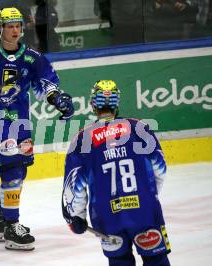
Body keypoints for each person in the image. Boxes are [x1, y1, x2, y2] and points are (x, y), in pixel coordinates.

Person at [0, 7, 75, 251]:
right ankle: (12, 227)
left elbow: (46, 83)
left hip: (19, 122)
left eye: (18, 26)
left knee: (20, 172)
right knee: (11, 172)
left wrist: (57, 98)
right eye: (9, 26)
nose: (15, 30)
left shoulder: (32, 56)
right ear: (0, 28)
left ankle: (3, 216)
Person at [62, 80, 171, 266]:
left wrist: (75, 217)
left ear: (92, 104)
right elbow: (160, 169)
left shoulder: (81, 139)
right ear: (116, 103)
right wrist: (148, 197)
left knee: (119, 261)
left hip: (107, 216)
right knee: (157, 260)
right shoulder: (139, 128)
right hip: (144, 211)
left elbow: (74, 187)